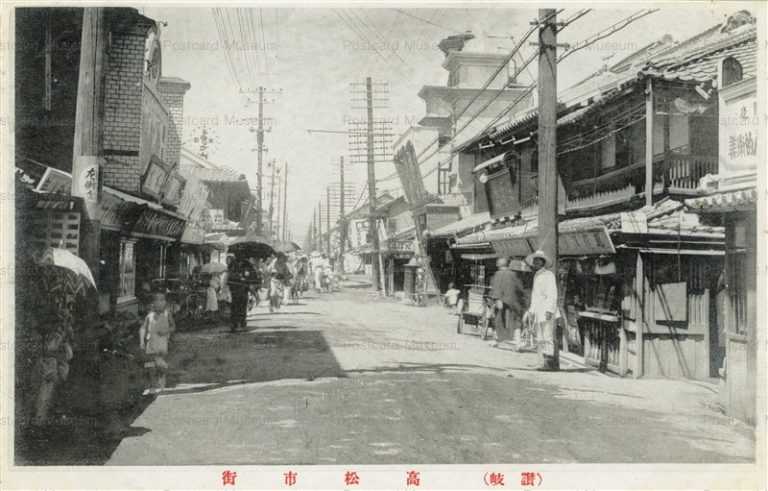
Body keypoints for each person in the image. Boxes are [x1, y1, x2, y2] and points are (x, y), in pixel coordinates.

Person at [523, 250, 560, 369]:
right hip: (538, 310)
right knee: (539, 337)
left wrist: (550, 310)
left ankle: (548, 363)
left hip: (546, 310)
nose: (535, 263)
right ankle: (540, 361)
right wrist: (531, 311)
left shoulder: (549, 275)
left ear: (542, 262)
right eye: (534, 261)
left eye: (538, 260)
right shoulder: (537, 275)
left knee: (547, 336)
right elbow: (535, 296)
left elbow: (552, 294)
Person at [139, 291, 176, 394]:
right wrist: (142, 341)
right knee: (151, 366)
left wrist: (167, 330)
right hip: (151, 342)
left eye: (162, 300)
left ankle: (162, 377)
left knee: (160, 364)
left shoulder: (167, 314)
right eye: (157, 300)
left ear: (165, 302)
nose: (160, 302)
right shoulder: (149, 315)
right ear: (153, 303)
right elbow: (143, 328)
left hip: (162, 343)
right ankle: (152, 386)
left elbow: (173, 326)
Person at [489, 257, 527, 349]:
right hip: (513, 301)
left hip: (500, 300)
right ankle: (517, 342)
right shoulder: (514, 274)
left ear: (499, 265)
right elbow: (520, 288)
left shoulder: (497, 274)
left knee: (498, 318)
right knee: (516, 319)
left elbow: (495, 288)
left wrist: (497, 299)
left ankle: (497, 339)